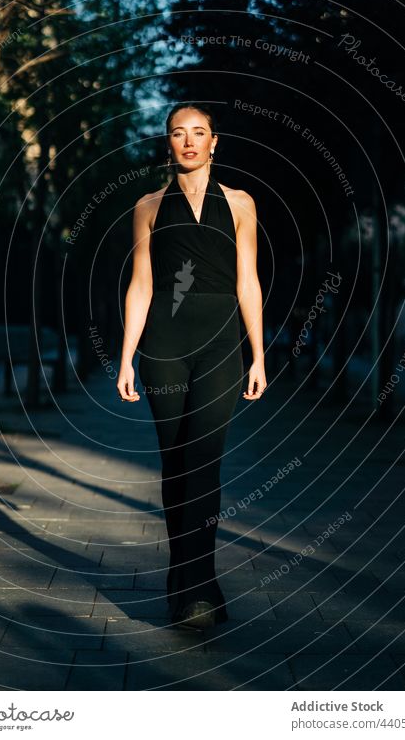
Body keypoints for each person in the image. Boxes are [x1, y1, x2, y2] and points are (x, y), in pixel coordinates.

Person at [116, 102, 266, 629]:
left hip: (222, 344)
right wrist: (128, 356)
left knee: (204, 462)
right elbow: (142, 283)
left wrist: (258, 356)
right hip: (164, 344)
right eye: (178, 133)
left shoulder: (243, 203)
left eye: (198, 133)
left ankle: (196, 590)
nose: (189, 141)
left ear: (214, 142)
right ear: (168, 142)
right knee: (175, 464)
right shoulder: (149, 205)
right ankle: (187, 580)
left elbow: (248, 281)